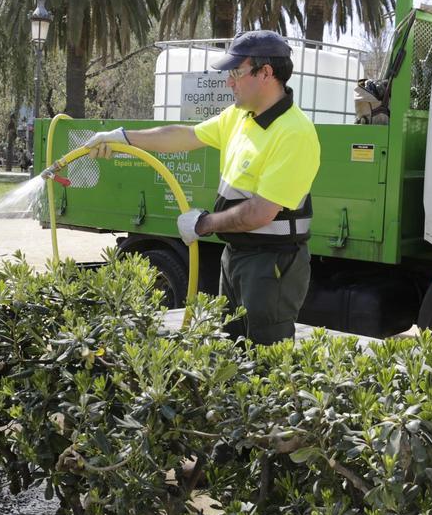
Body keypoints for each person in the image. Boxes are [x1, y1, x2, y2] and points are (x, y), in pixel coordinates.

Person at [81, 30, 320, 346]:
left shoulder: (294, 132)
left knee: (265, 361)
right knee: (232, 354)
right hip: (236, 255)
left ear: (266, 73)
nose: (229, 82)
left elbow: (261, 211)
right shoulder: (239, 117)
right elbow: (183, 136)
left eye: (237, 72)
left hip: (271, 265)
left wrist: (203, 224)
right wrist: (122, 138)